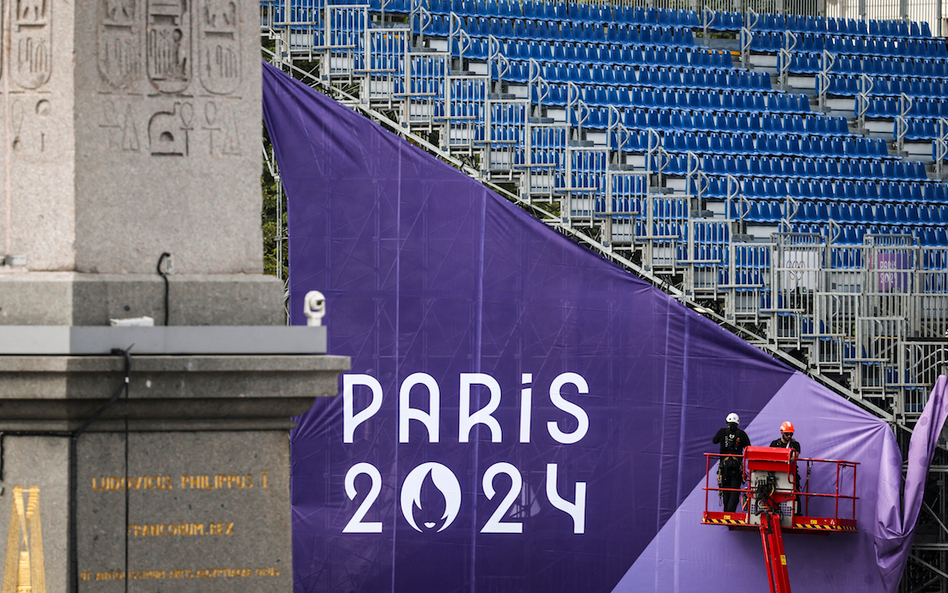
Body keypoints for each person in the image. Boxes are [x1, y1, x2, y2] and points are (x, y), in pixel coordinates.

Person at [712, 412, 751, 512]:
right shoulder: (741, 434)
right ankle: (730, 512)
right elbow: (748, 447)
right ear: (737, 423)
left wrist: (726, 437)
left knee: (725, 490)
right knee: (734, 490)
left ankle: (726, 513)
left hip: (724, 467)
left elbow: (714, 440)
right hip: (736, 467)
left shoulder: (722, 432)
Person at [770, 421, 803, 513]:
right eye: (787, 434)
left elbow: (794, 457)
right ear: (782, 433)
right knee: (773, 492)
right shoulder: (774, 443)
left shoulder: (795, 444)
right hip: (777, 472)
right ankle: (774, 511)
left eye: (791, 434)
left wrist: (780, 455)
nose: (789, 436)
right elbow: (770, 456)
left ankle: (796, 513)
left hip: (791, 473)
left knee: (795, 493)